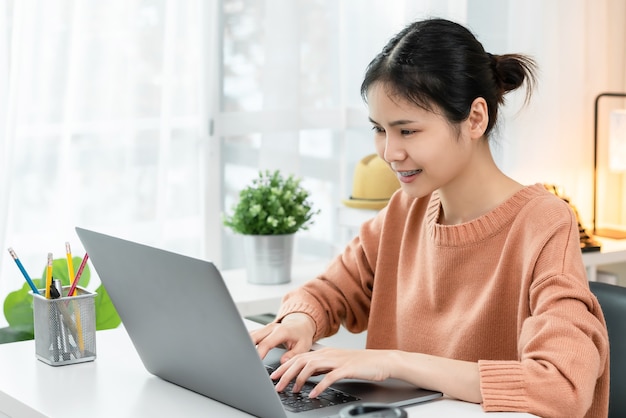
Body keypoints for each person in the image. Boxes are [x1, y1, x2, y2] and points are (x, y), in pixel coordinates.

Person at [251, 18, 609, 418]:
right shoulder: (407, 209)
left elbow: (561, 386)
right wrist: (300, 321)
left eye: (407, 131)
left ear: (475, 119)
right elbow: (329, 291)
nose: (389, 152)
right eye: (380, 129)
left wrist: (395, 363)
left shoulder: (543, 223)